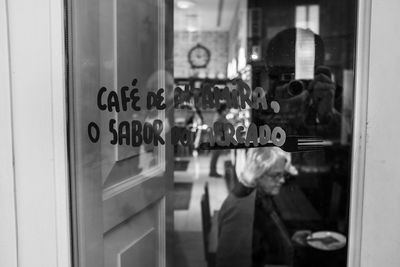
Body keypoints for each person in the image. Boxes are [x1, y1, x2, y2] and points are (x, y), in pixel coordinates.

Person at [216, 147, 309, 267]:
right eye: (275, 175)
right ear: (257, 173)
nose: (281, 180)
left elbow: (262, 237)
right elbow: (232, 262)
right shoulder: (241, 210)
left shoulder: (258, 194)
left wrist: (288, 239)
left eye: (283, 175)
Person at [209, 103, 229, 178]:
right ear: (223, 110)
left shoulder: (221, 116)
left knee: (215, 156)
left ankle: (213, 171)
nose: (228, 110)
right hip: (217, 139)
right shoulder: (220, 117)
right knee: (215, 156)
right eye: (226, 109)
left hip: (218, 139)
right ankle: (212, 172)